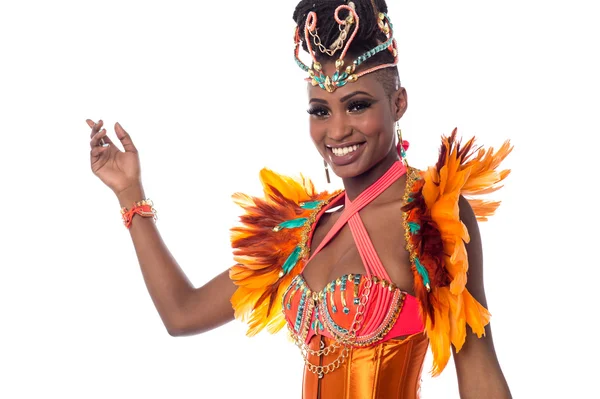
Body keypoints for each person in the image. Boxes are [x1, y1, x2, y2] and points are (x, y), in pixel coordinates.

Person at [87, 0, 513, 397]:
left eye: (357, 105)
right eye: (320, 111)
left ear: (398, 103)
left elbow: (477, 364)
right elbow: (183, 314)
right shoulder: (302, 232)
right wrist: (130, 193)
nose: (338, 130)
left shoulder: (430, 215)